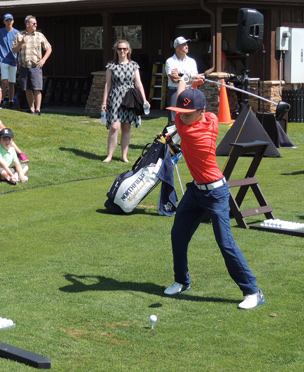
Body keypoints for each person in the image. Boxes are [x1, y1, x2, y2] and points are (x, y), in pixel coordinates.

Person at [163, 78, 265, 310]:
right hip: (196, 191)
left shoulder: (188, 130)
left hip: (217, 192)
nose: (183, 116)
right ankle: (181, 281)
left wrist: (186, 83)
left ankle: (253, 291)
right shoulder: (211, 120)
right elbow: (187, 106)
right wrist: (194, 87)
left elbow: (179, 113)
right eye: (182, 112)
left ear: (200, 112)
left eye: (188, 113)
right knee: (178, 234)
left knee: (225, 242)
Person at [101, 39, 149, 163]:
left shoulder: (134, 65)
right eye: (119, 49)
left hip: (130, 98)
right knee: (114, 126)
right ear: (116, 50)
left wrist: (144, 100)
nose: (122, 51)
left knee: (126, 127)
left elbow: (138, 83)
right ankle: (109, 155)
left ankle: (124, 156)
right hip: (115, 98)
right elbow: (108, 84)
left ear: (128, 50)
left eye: (124, 49)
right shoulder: (111, 66)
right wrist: (104, 102)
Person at [12, 15, 52, 115]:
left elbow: (49, 48)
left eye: (36, 23)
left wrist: (43, 60)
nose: (35, 25)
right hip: (24, 66)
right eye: (33, 23)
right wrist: (21, 42)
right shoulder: (19, 35)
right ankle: (32, 109)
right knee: (27, 89)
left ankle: (38, 110)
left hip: (36, 66)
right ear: (27, 24)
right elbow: (14, 50)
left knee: (37, 88)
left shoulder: (40, 35)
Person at [165, 36, 203, 125]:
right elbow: (174, 79)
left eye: (187, 44)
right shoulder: (170, 61)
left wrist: (181, 76)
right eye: (184, 44)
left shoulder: (192, 61)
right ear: (177, 47)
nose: (187, 46)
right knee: (173, 120)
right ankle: (171, 138)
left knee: (190, 118)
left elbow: (195, 78)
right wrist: (188, 78)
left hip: (190, 92)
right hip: (174, 91)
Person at [0, 13, 20, 108]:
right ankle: (0, 100)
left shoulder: (17, 33)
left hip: (13, 59)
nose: (9, 22)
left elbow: (21, 45)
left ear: (13, 21)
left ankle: (10, 102)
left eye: (10, 20)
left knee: (12, 82)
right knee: (4, 80)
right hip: (3, 59)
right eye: (7, 20)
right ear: (4, 22)